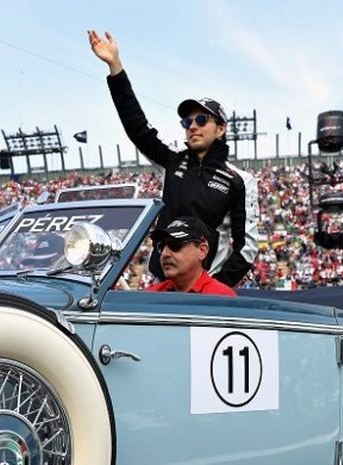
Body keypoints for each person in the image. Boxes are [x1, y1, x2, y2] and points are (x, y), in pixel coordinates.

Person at [87, 30, 259, 287]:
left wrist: (214, 286)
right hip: (163, 282)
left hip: (208, 286)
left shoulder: (240, 180)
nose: (192, 126)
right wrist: (115, 67)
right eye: (187, 121)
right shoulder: (172, 160)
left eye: (202, 119)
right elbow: (138, 128)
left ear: (221, 129)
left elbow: (246, 247)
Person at [145, 217, 236, 296]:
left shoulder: (221, 298)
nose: (165, 254)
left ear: (202, 251)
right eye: (161, 246)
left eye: (175, 245)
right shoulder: (152, 295)